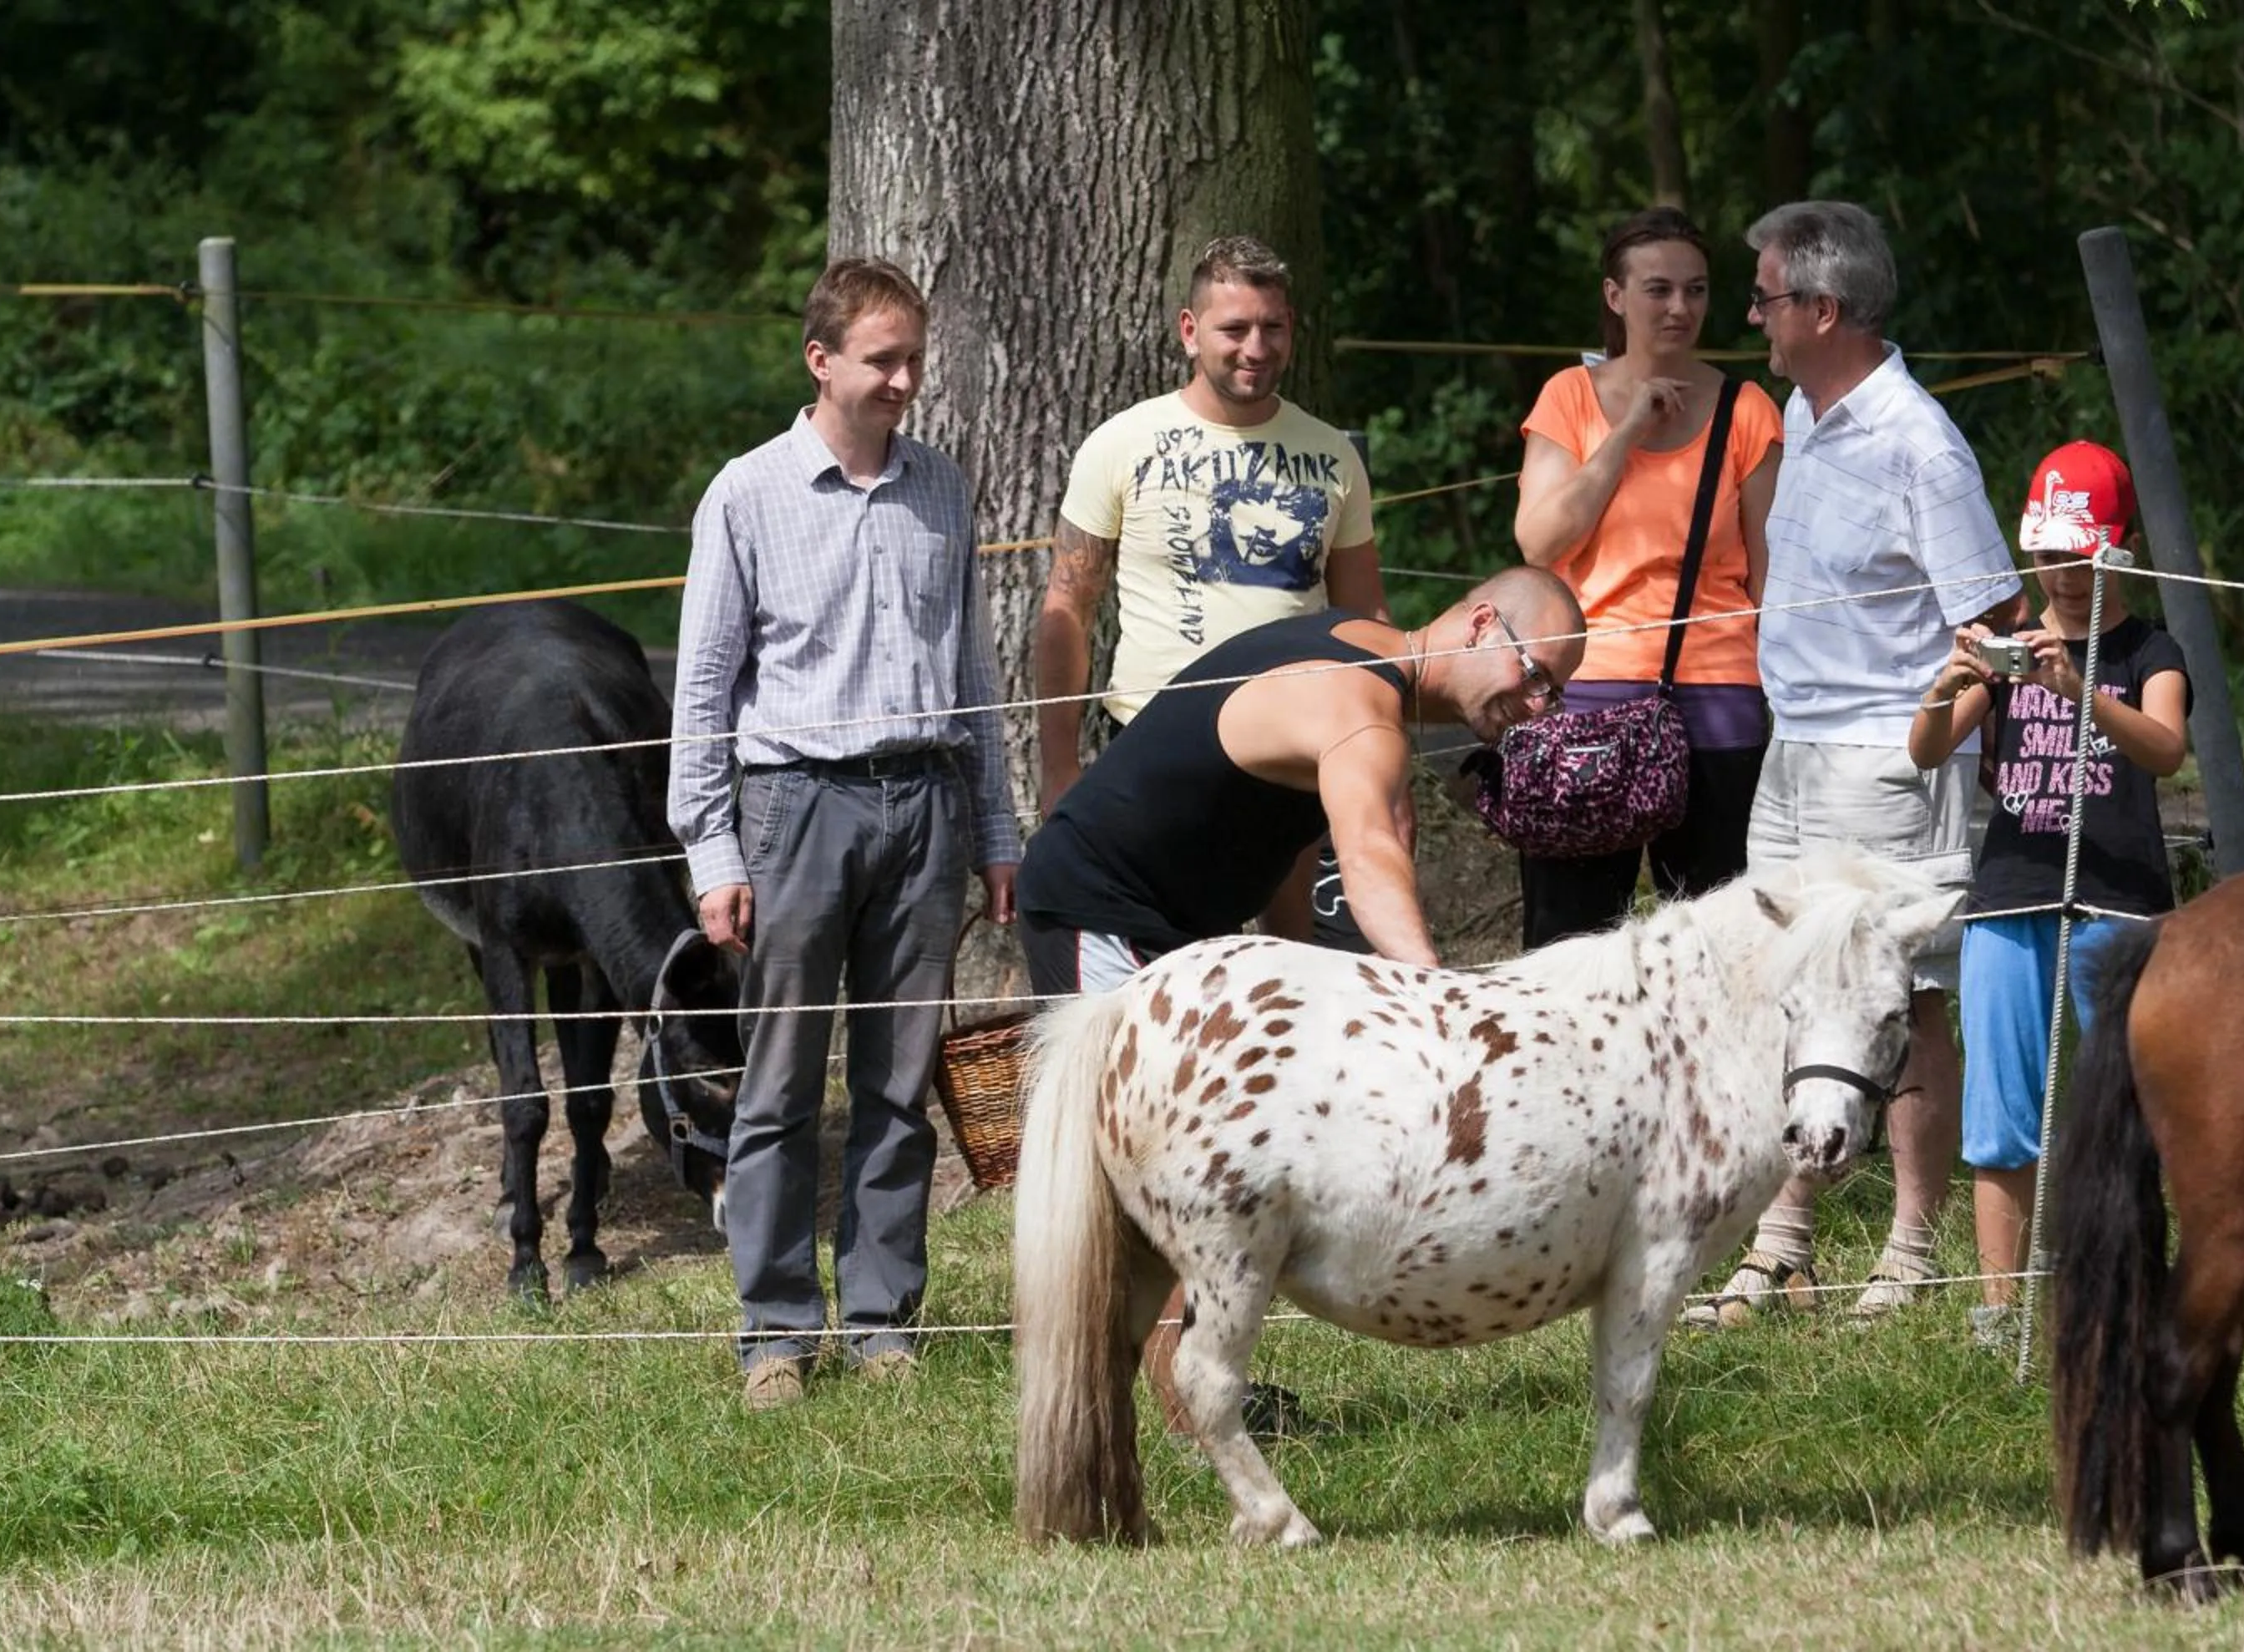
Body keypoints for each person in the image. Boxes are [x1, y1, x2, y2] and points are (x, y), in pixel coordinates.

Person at [1017, 565, 1584, 1432]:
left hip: (1183, 931)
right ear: (1479, 625)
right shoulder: (1364, 709)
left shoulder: (1355, 649)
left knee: (1197, 1150)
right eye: (1535, 672)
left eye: (1557, 690)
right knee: (1144, 1167)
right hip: (1100, 905)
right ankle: (1163, 1399)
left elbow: (1291, 846)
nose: (1540, 705)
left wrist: (1295, 980)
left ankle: (1188, 1383)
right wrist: (1449, 1009)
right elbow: (1367, 856)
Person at [669, 256, 1022, 1411]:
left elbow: (972, 669)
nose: (905, 380)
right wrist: (711, 850)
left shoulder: (941, 488)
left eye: (915, 358)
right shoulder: (749, 492)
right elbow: (707, 686)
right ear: (820, 361)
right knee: (776, 1082)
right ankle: (774, 1329)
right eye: (883, 359)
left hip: (924, 802)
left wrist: (995, 828)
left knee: (899, 1078)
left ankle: (882, 1320)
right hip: (796, 805)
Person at [1691, 200, 2021, 1327]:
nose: (1752, 317)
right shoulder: (1807, 404)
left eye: (1767, 298)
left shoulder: (1921, 443)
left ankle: (1912, 1246)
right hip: (1794, 751)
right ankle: (1783, 1239)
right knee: (1791, 986)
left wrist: (1927, 746)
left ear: (1825, 310)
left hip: (1889, 758)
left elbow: (1995, 623)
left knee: (1905, 996)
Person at [1035, 234, 1390, 948]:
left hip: (1297, 743)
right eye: (1234, 329)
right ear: (1190, 332)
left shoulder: (1333, 455)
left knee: (1295, 958)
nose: (1255, 347)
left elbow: (1365, 621)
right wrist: (1059, 765)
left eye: (1273, 327)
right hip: (1156, 737)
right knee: (1173, 953)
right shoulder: (1121, 443)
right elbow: (1067, 607)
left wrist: (1389, 771)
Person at [1907, 440, 2188, 1338]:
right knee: (2001, 1112)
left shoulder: (2150, 649)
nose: (2064, 575)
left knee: (2138, 1102)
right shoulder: (2010, 650)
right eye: (2048, 556)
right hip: (2011, 897)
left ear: (2120, 545)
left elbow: (2166, 749)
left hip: (2119, 903)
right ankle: (2001, 1311)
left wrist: (2078, 692)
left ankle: (2140, 1289)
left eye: (2081, 555)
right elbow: (1924, 751)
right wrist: (1947, 683)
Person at [1512, 207, 1785, 945]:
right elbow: (1540, 543)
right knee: (1567, 942)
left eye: (1695, 291)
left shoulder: (1747, 408)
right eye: (1659, 289)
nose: (1680, 308)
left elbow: (1770, 580)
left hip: (1719, 695)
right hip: (1586, 688)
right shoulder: (1569, 396)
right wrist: (1626, 430)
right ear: (1615, 297)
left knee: (1719, 943)